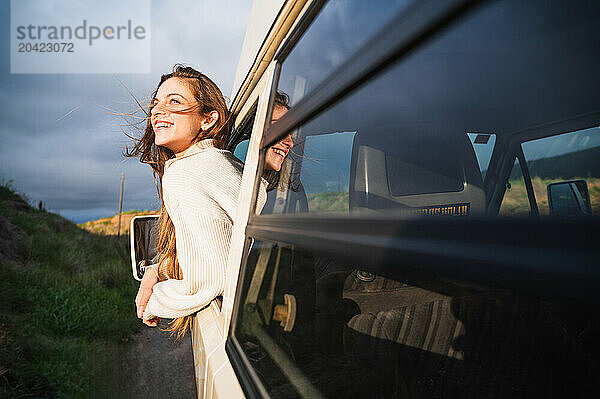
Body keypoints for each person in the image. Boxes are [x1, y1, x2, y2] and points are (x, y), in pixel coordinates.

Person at [128, 66, 293, 336]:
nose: (157, 111)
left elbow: (211, 279)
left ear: (207, 120)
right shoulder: (212, 167)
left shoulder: (187, 170)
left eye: (174, 102)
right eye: (156, 103)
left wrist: (156, 301)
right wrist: (157, 269)